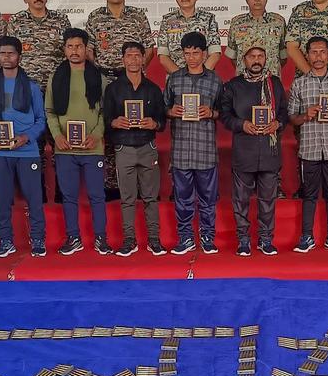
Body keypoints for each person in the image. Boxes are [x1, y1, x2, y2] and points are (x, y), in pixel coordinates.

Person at [85, 0, 156, 202]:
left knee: (135, 126)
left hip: (133, 81)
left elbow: (150, 48)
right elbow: (89, 50)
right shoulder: (96, 17)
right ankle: (112, 183)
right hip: (106, 79)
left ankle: (137, 181)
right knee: (109, 126)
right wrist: (100, 73)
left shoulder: (137, 16)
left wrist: (134, 70)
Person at [47, 28, 111, 256]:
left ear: (86, 49)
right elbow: (50, 111)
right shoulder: (56, 77)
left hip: (93, 148)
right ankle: (73, 237)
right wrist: (58, 136)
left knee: (97, 195)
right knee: (69, 196)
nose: (75, 51)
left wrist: (96, 134)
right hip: (65, 149)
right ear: (64, 50)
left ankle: (101, 238)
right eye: (70, 46)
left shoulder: (98, 78)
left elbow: (106, 112)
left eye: (79, 46)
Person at [7, 0, 71, 204]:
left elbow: (69, 54)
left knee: (59, 141)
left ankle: (63, 191)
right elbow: (10, 57)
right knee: (32, 140)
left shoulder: (61, 20)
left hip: (57, 90)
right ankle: (38, 191)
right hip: (28, 92)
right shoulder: (16, 22)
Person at [0, 36, 49, 258]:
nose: (6, 57)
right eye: (2, 53)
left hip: (27, 151)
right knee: (2, 199)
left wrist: (26, 137)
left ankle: (38, 240)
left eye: (11, 53)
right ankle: (5, 241)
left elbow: (41, 119)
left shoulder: (31, 87)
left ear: (19, 56)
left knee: (34, 198)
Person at [220, 46, 289, 256]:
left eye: (260, 56)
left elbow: (285, 113)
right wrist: (242, 124)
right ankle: (243, 241)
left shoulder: (274, 84)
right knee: (240, 200)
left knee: (267, 200)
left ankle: (266, 240)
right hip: (244, 150)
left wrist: (277, 123)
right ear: (244, 60)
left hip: (269, 151)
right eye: (252, 57)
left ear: (266, 58)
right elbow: (225, 115)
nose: (256, 60)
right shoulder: (234, 86)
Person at [104, 42, 168, 256]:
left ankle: (154, 240)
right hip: (124, 148)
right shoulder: (113, 88)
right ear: (123, 60)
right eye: (129, 56)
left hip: (147, 146)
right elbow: (105, 119)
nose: (133, 60)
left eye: (137, 56)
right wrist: (115, 122)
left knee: (151, 197)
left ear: (143, 59)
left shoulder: (152, 88)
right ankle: (129, 240)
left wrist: (155, 124)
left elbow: (162, 120)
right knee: (127, 198)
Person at [165, 32, 224, 256]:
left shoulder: (215, 80)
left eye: (195, 53)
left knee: (208, 199)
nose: (191, 58)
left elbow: (224, 112)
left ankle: (208, 237)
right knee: (183, 198)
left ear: (204, 54)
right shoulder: (174, 79)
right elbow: (163, 109)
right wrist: (171, 112)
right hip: (181, 150)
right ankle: (185, 237)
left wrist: (212, 112)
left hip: (206, 150)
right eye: (187, 53)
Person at [289, 36, 328, 253]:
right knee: (309, 195)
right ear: (307, 55)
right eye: (313, 52)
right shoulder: (299, 83)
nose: (318, 57)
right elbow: (291, 118)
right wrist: (306, 115)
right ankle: (306, 237)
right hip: (310, 148)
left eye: (322, 52)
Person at [157, 0, 222, 74]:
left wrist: (201, 75)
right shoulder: (167, 20)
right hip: (176, 81)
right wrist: (181, 78)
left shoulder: (208, 19)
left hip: (204, 81)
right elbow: (163, 56)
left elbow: (215, 53)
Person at [225, 0, 287, 72]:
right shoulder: (237, 23)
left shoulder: (278, 21)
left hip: (271, 81)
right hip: (244, 83)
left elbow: (283, 56)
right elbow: (233, 56)